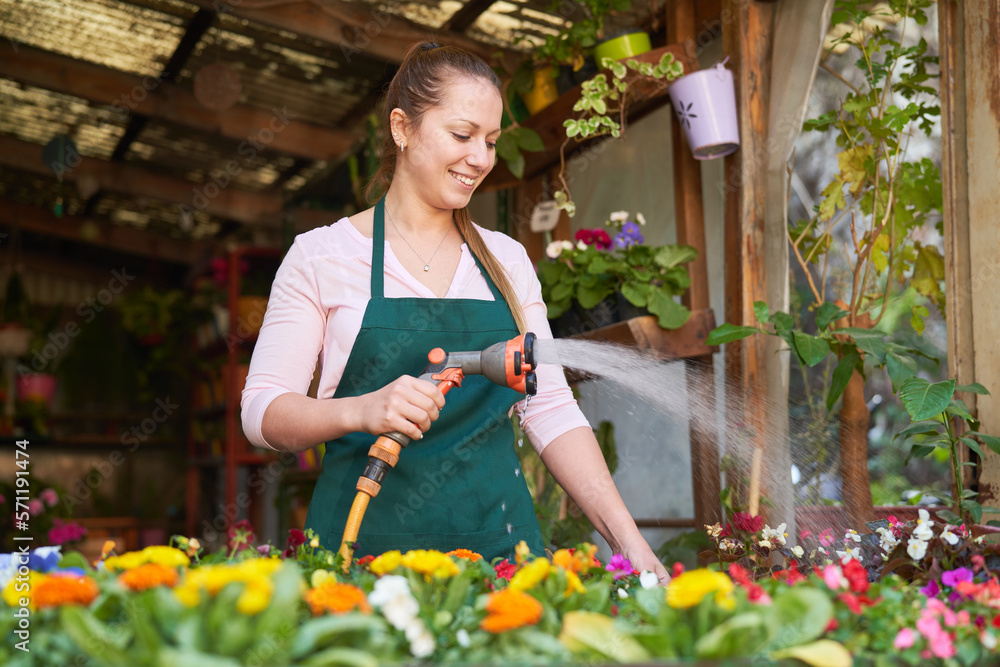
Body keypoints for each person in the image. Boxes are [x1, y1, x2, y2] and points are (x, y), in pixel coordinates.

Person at [241, 41, 669, 582]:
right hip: (359, 564)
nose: (481, 158)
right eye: (462, 135)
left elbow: (552, 411)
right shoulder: (322, 256)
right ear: (402, 127)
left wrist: (633, 548)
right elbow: (260, 414)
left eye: (490, 141)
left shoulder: (506, 261)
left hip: (502, 561)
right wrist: (361, 409)